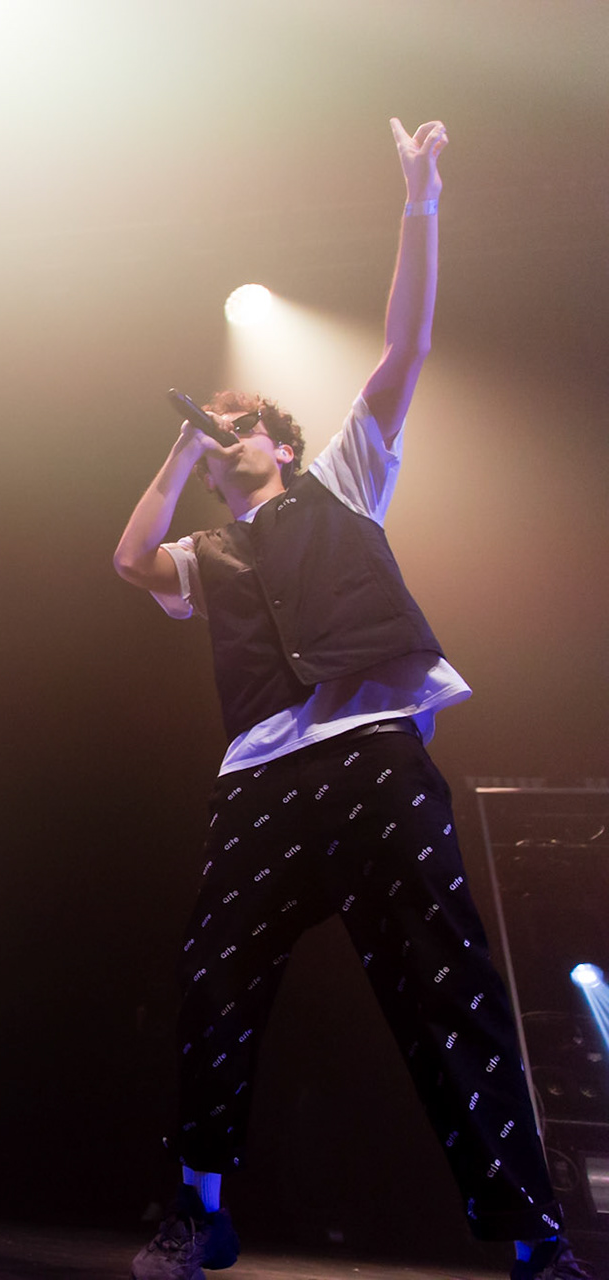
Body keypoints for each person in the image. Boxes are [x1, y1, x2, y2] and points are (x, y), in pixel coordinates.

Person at [113, 121, 592, 1280]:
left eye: (238, 429)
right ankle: (202, 1210)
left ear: (275, 439)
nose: (228, 441)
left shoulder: (342, 474)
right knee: (212, 982)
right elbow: (132, 561)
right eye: (214, 434)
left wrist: (419, 195)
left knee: (446, 986)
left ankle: (536, 1235)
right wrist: (179, 456)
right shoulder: (210, 546)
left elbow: (407, 343)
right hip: (263, 781)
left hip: (373, 756)